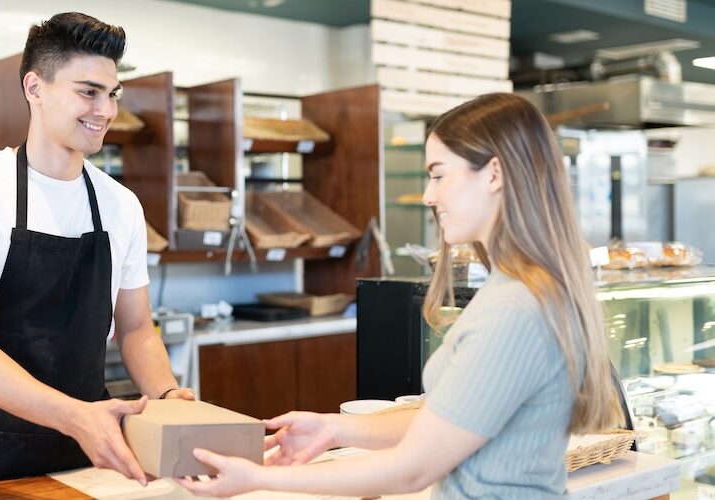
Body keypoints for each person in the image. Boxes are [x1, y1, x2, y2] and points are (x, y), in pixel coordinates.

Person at [177, 93, 622, 498]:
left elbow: (411, 470)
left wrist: (257, 479)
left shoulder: (515, 309)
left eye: (439, 175)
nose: (429, 195)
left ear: (494, 174)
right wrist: (334, 428)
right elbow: (451, 422)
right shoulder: (522, 288)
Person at [0, 12, 193, 490]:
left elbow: (135, 329)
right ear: (35, 88)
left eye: (112, 94)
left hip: (88, 450)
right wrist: (75, 416)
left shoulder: (120, 204)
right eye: (88, 92)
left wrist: (168, 394)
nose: (105, 110)